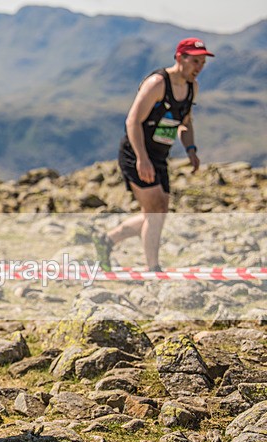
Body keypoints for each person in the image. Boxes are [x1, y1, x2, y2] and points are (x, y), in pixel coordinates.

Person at [94, 38, 213, 272]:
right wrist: (142, 158)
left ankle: (107, 240)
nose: (199, 67)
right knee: (156, 210)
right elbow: (133, 121)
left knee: (157, 213)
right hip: (136, 153)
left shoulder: (192, 87)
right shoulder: (157, 83)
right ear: (180, 58)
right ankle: (153, 268)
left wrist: (191, 150)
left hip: (159, 155)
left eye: (202, 62)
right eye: (195, 61)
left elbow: (186, 122)